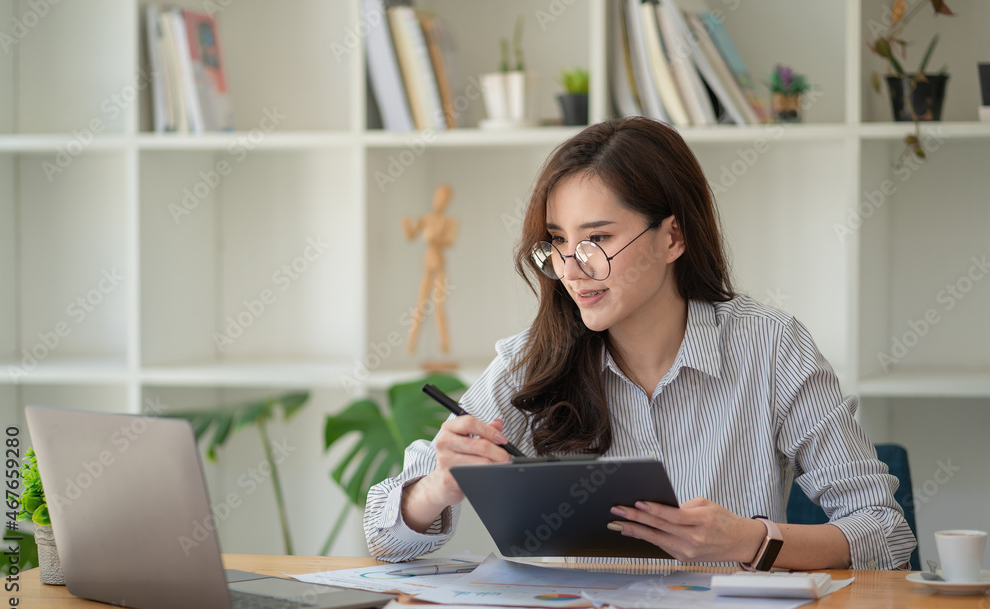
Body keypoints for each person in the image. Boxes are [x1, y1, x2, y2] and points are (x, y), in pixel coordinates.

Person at [364, 117, 916, 570]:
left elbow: (885, 535)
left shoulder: (771, 348)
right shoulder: (531, 362)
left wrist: (752, 542)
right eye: (558, 243)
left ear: (673, 237)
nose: (574, 269)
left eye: (598, 239)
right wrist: (437, 487)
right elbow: (384, 537)